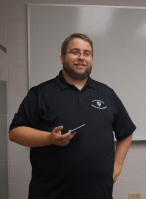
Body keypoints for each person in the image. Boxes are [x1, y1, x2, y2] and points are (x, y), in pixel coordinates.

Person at [9, 33, 136, 199]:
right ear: (62, 57)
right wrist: (49, 138)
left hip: (99, 193)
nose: (81, 58)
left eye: (87, 53)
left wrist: (117, 165)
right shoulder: (40, 93)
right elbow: (15, 132)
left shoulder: (107, 93)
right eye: (75, 52)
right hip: (51, 193)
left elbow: (126, 132)